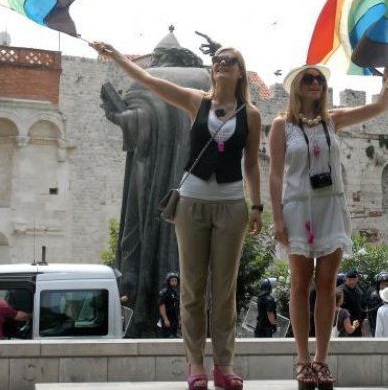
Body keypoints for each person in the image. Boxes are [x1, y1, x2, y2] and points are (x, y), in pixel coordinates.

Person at [92, 41, 262, 390]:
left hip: (231, 204)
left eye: (230, 61)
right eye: (218, 60)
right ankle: (196, 364)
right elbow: (151, 83)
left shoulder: (252, 114)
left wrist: (256, 205)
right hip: (192, 202)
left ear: (240, 71)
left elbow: (251, 164)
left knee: (224, 290)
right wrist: (118, 56)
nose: (222, 64)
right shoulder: (195, 101)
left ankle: (224, 365)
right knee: (192, 288)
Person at [269, 63, 388, 390]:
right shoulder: (281, 125)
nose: (316, 83)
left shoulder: (333, 120)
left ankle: (321, 360)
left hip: (330, 206)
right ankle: (302, 361)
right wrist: (277, 217)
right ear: (297, 86)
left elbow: (380, 107)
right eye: (309, 79)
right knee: (299, 284)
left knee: (327, 284)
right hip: (297, 207)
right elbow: (274, 174)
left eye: (320, 79)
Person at [366, 271, 388, 336]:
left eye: (386, 285)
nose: (384, 287)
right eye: (382, 284)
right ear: (378, 285)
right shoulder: (374, 296)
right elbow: (373, 314)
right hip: (376, 325)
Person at [340, 270, 365, 337]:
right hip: (344, 325)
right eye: (349, 279)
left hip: (357, 324)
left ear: (357, 279)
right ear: (346, 279)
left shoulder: (359, 292)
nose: (352, 282)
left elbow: (362, 308)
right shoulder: (340, 291)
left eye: (353, 279)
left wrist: (361, 323)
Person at [158, 272, 181, 338]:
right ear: (168, 281)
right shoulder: (164, 292)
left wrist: (179, 319)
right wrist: (165, 319)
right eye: (172, 280)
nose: (174, 282)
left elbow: (178, 305)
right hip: (167, 317)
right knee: (167, 336)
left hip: (175, 317)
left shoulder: (176, 292)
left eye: (175, 280)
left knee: (174, 335)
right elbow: (161, 305)